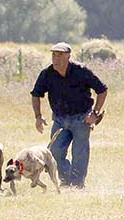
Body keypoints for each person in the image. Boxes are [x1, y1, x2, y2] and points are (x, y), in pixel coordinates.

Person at [30, 42, 108, 189]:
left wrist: (95, 113)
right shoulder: (47, 74)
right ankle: (66, 180)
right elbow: (36, 94)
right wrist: (38, 116)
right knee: (54, 152)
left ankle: (77, 184)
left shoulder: (81, 71)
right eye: (53, 55)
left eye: (60, 55)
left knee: (79, 153)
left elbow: (102, 90)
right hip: (59, 120)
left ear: (68, 56)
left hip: (82, 119)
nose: (56, 59)